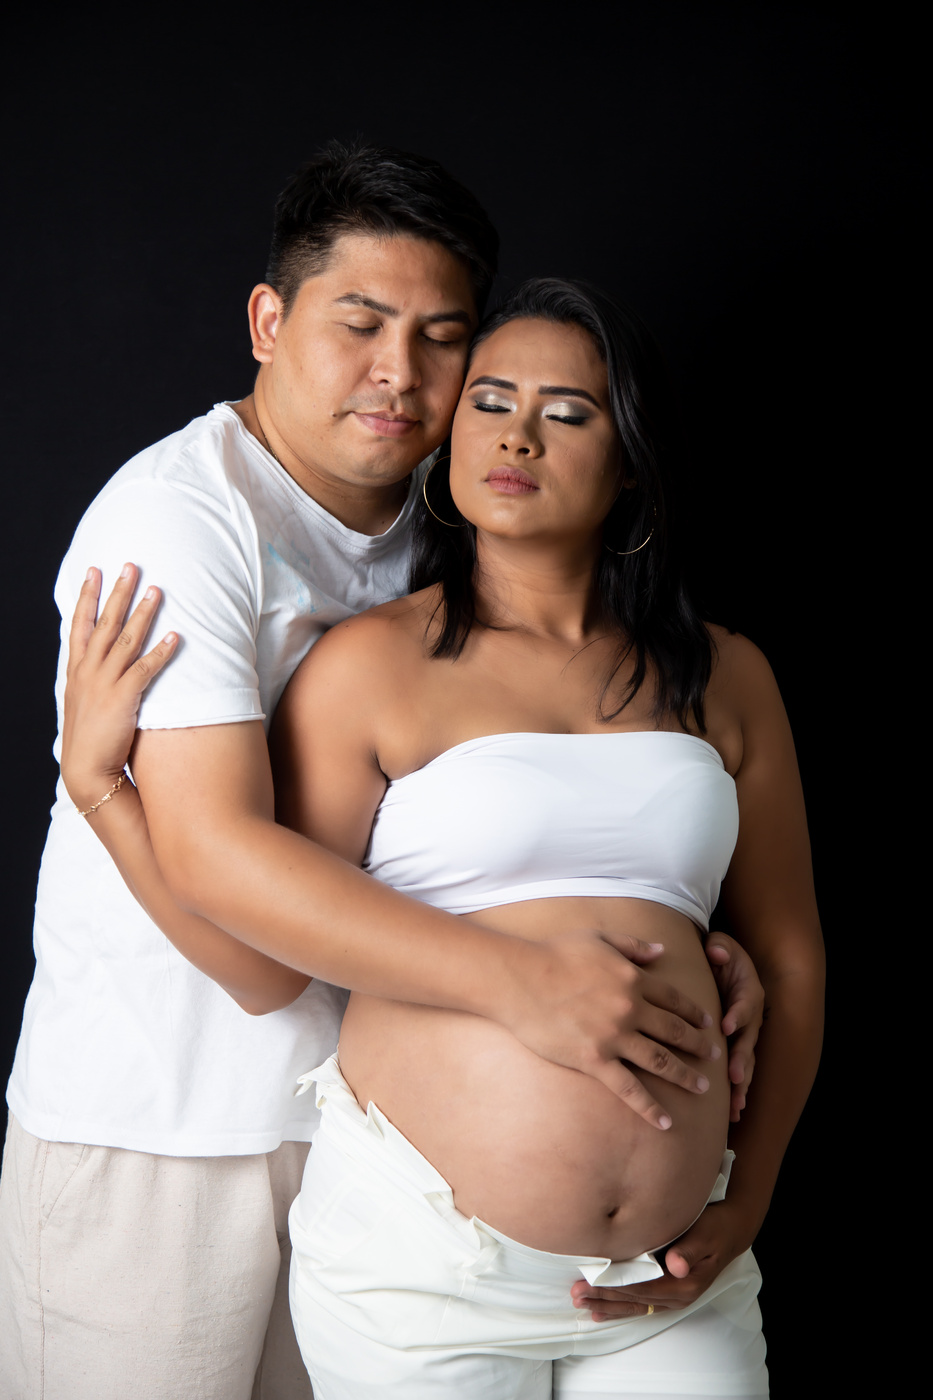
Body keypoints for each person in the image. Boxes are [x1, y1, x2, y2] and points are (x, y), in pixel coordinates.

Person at [0, 146, 763, 1400]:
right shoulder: (179, 522)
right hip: (165, 1116)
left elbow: (491, 819)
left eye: (441, 337)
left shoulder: (440, 522)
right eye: (359, 323)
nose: (400, 372)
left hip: (357, 1137)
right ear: (269, 321)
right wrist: (96, 789)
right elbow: (234, 884)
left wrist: (680, 939)